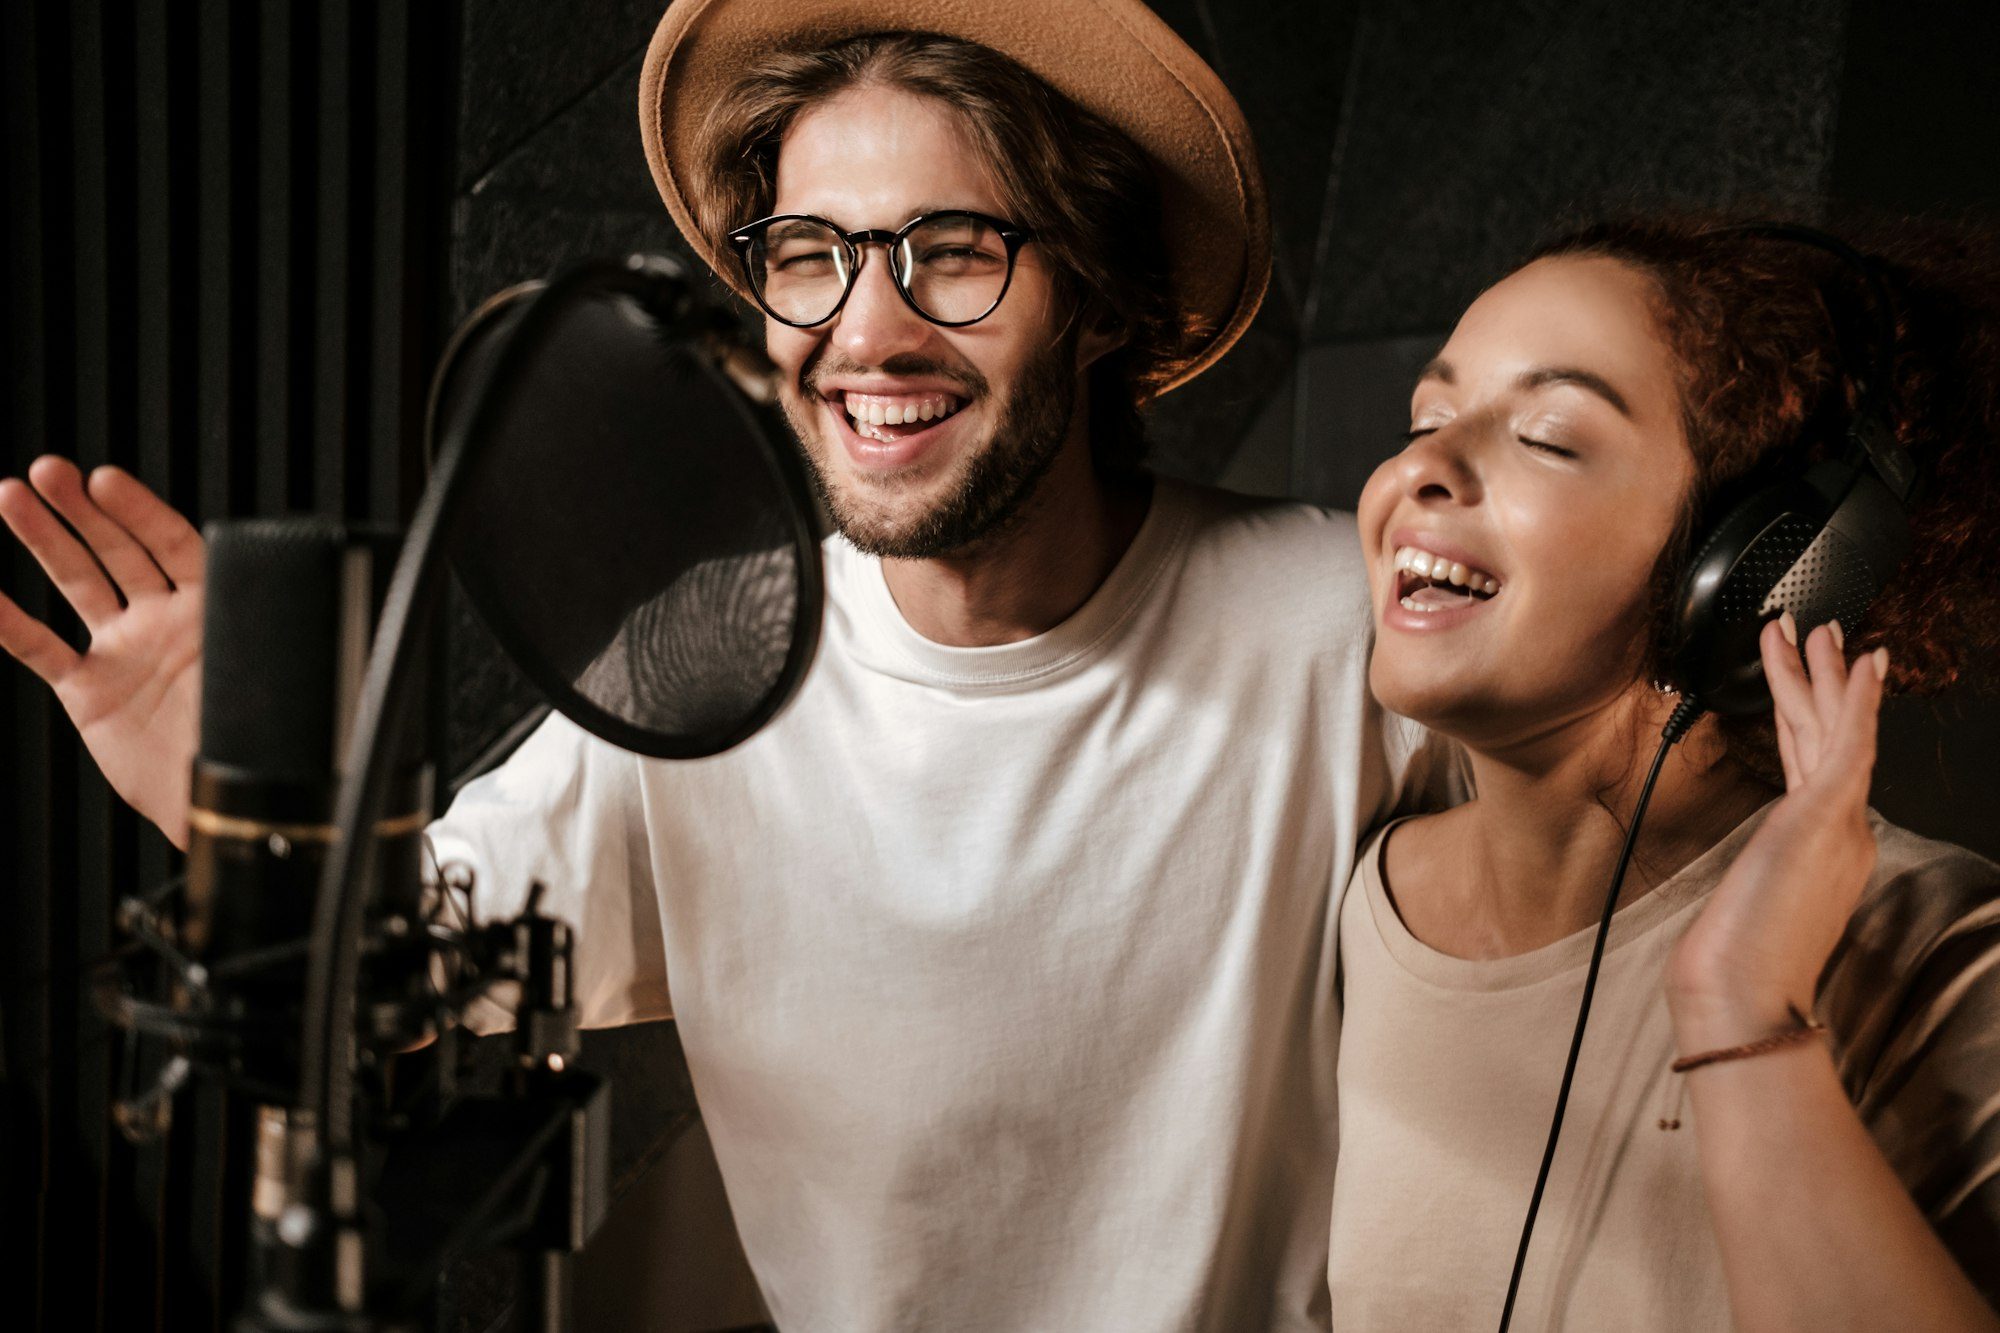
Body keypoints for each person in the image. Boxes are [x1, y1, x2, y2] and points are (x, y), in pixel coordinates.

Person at [0, 2, 1442, 1327]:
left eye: (953, 251)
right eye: (810, 257)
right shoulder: (717, 661)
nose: (865, 334)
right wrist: (237, 809)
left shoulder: (1339, 626)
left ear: (1101, 298)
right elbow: (414, 958)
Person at [1329, 216, 2000, 1329]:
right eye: (1428, 416)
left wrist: (1741, 1006)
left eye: (1544, 435)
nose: (1417, 468)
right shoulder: (1358, 894)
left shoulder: (1943, 961)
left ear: (1755, 565)